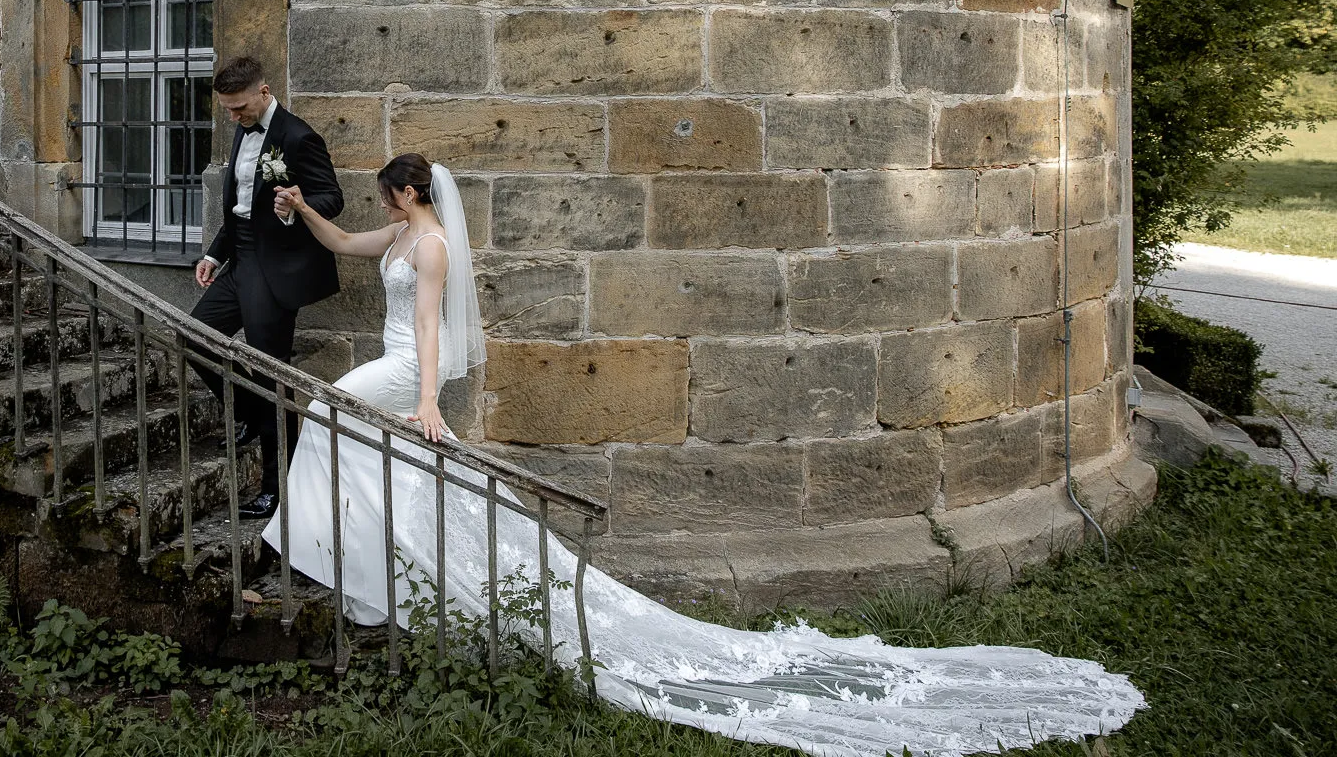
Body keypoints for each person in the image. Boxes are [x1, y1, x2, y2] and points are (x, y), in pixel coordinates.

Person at [267, 154, 1147, 757]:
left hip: (402, 364)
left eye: (388, 199)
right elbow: (344, 247)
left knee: (323, 408)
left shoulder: (433, 247)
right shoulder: (393, 237)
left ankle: (333, 542)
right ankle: (363, 545)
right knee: (349, 430)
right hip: (392, 358)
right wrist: (301, 209)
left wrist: (425, 396)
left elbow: (426, 326)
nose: (380, 211)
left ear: (412, 199)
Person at [190, 56, 343, 520]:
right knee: (193, 334)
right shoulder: (244, 126)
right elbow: (239, 205)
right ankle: (256, 416)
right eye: (229, 111)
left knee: (272, 375)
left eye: (239, 108)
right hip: (239, 259)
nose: (234, 118)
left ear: (264, 90)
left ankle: (278, 490)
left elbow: (332, 198)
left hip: (275, 270)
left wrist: (295, 204)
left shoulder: (298, 136)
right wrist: (214, 253)